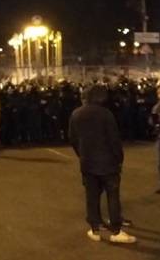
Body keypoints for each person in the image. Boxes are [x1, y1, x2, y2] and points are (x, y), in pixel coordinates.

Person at [68, 85, 136, 244]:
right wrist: (119, 159)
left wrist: (81, 154)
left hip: (88, 161)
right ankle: (116, 230)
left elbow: (72, 138)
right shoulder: (106, 114)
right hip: (108, 161)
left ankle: (95, 228)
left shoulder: (76, 114)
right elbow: (114, 139)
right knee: (113, 196)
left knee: (91, 195)